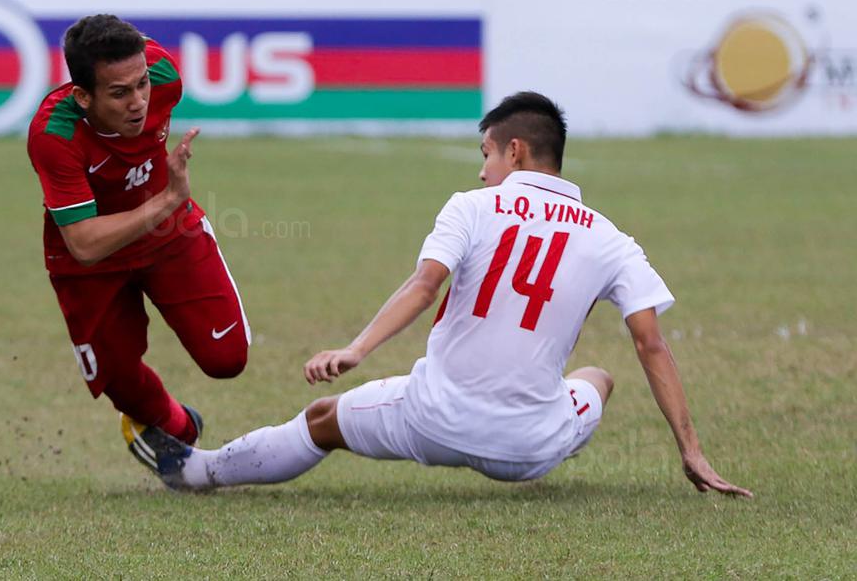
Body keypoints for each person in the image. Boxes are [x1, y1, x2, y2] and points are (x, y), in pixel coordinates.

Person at [128, 91, 751, 497]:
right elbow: (651, 345)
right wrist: (691, 451)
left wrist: (358, 348)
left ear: (514, 150)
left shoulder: (473, 206)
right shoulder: (613, 239)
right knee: (598, 374)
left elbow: (425, 286)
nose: (481, 170)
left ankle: (196, 471)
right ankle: (558, 419)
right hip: (534, 448)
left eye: (485, 153)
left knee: (321, 422)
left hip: (433, 420)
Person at [27, 15, 250, 459]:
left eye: (141, 85)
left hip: (169, 238)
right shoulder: (55, 135)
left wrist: (168, 209)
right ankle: (177, 426)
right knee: (119, 380)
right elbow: (86, 244)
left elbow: (137, 56)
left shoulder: (164, 75)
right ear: (82, 96)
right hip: (90, 260)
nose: (139, 102)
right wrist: (168, 200)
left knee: (228, 359)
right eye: (119, 93)